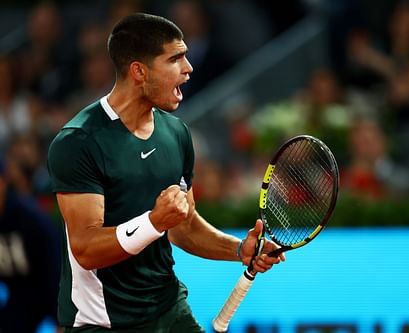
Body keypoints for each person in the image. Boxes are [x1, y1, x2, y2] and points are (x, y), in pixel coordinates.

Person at [47, 13, 284, 332]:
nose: (188, 69)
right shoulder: (79, 141)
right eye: (175, 59)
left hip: (170, 312)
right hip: (102, 323)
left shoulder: (176, 134)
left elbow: (184, 227)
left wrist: (240, 249)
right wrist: (154, 221)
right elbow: (86, 249)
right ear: (139, 72)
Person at [0, 156, 61, 333]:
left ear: (4, 182)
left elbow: (54, 272)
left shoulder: (32, 221)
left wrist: (59, 320)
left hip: (39, 312)